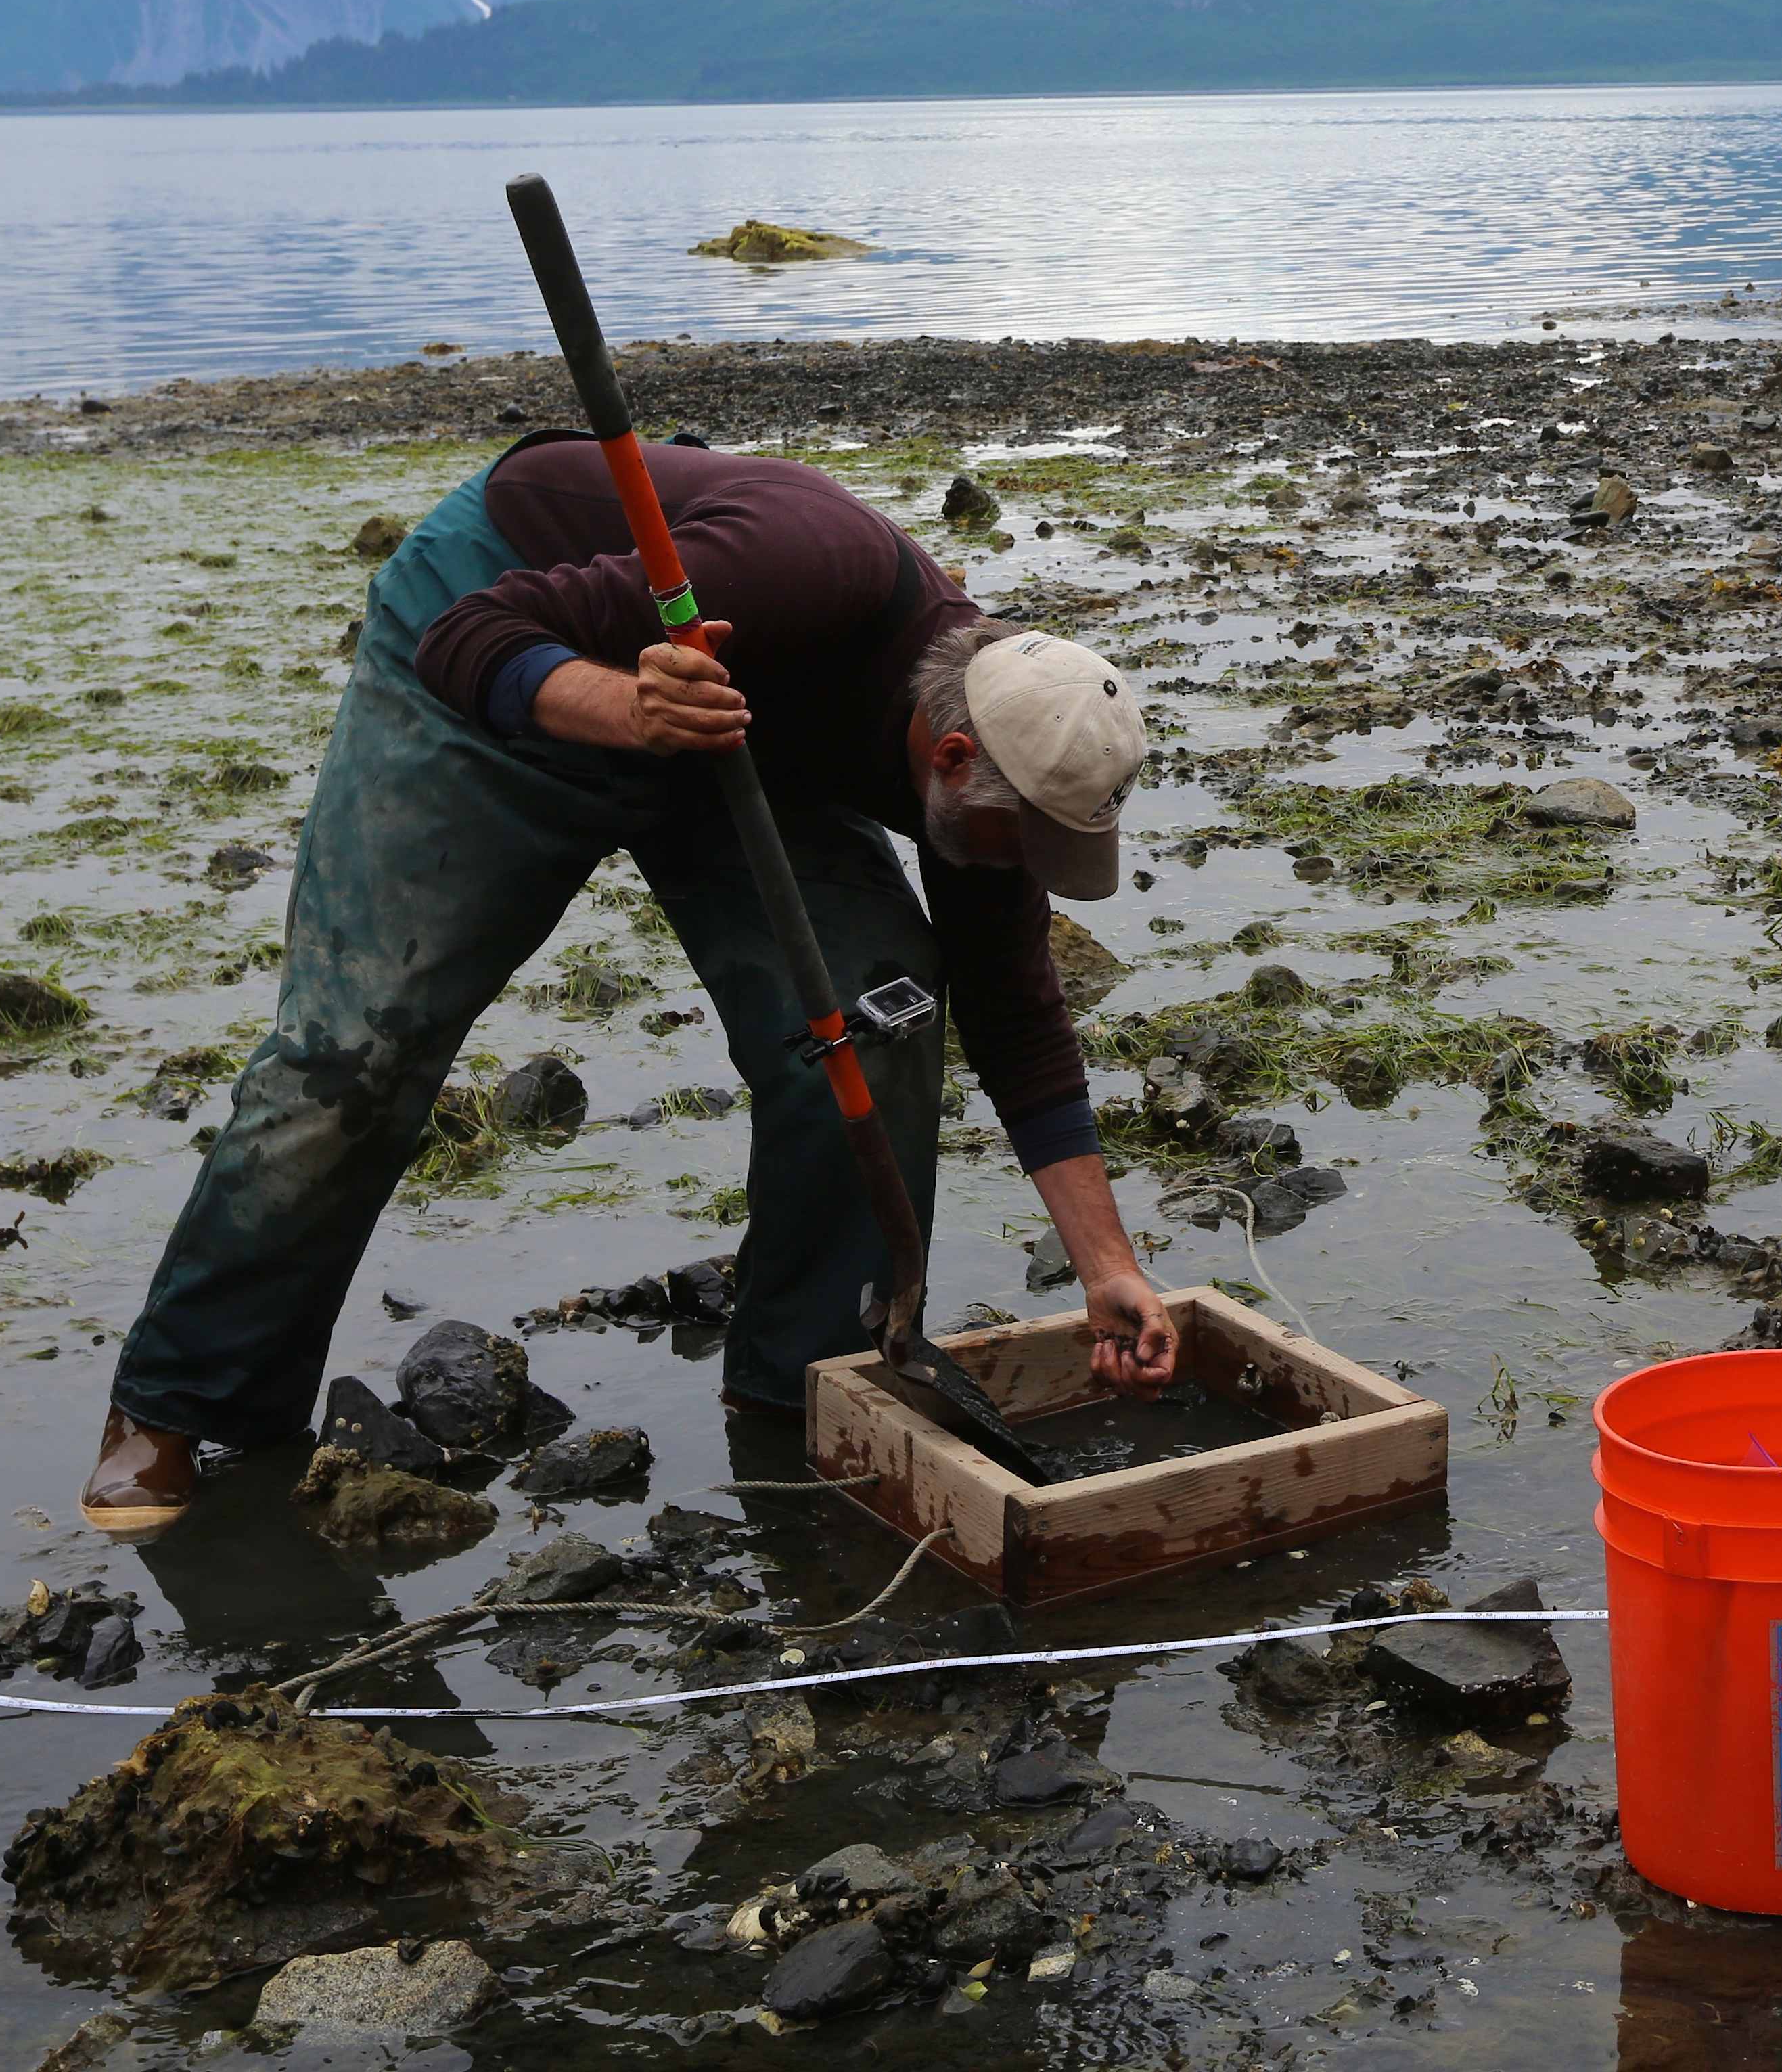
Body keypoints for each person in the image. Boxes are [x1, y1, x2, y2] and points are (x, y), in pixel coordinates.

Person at [78, 434, 1178, 1531]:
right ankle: (181, 1405)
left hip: (740, 733)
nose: (1012, 863)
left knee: (875, 1020)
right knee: (357, 1056)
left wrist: (1107, 1266)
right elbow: (471, 638)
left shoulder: (1000, 777)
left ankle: (807, 1389)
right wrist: (628, 712)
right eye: (1011, 839)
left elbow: (1016, 1005)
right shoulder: (807, 568)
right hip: (513, 642)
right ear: (948, 761)